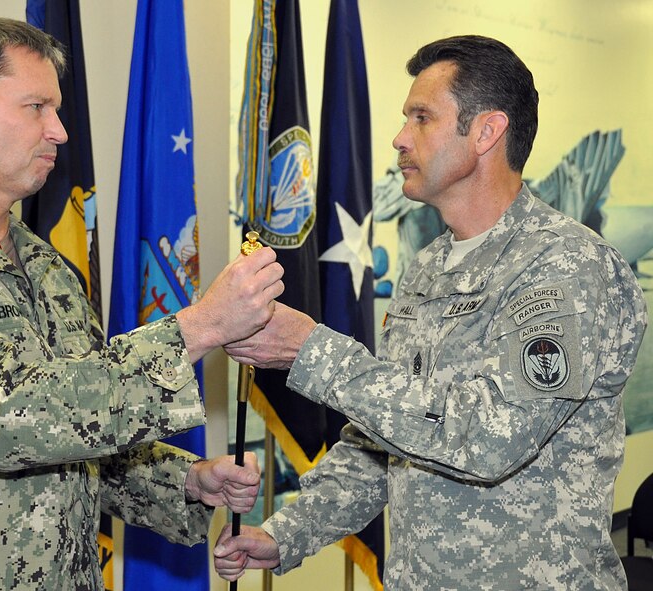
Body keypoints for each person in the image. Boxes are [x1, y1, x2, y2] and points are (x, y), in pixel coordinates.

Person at [0, 15, 284, 590]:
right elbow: (0, 419)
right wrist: (199, 327)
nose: (60, 131)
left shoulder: (48, 269)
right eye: (36, 107)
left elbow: (71, 439)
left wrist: (186, 481)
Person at [214, 35, 648, 589]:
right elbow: (383, 441)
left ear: (487, 132)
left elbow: (491, 439)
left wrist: (313, 351)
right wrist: (285, 535)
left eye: (422, 117)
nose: (399, 138)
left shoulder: (568, 268)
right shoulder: (427, 270)